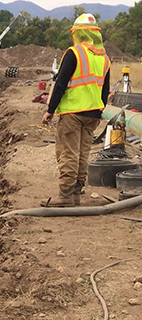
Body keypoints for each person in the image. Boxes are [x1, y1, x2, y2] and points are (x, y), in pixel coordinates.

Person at [41, 13, 111, 207]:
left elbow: (61, 83)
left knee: (68, 153)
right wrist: (99, 110)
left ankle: (65, 196)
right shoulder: (104, 57)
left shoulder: (74, 53)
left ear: (78, 33)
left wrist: (50, 110)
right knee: (82, 153)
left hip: (73, 113)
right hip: (93, 114)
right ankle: (77, 193)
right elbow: (105, 89)